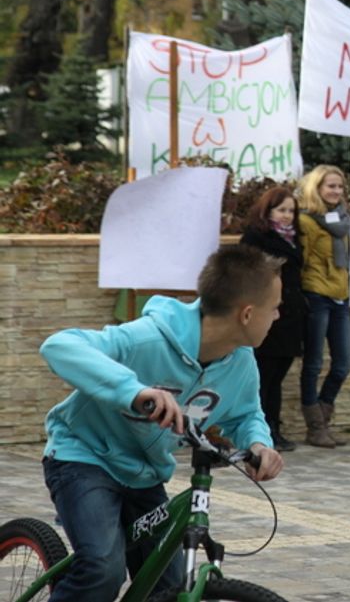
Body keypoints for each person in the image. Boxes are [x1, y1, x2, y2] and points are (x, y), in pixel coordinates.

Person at [40, 245, 286, 602]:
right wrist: (134, 391)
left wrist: (259, 443)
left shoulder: (241, 362)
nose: (278, 316)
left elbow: (245, 413)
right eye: (275, 307)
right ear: (247, 314)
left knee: (165, 587)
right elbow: (58, 346)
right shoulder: (148, 338)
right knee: (102, 568)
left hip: (145, 475)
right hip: (85, 458)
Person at [240, 185, 308, 451]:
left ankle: (273, 428)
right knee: (263, 375)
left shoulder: (293, 239)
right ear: (267, 210)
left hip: (292, 314)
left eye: (291, 210)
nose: (287, 216)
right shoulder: (256, 238)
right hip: (268, 314)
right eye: (281, 210)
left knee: (277, 375)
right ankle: (259, 432)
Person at [296, 164, 350, 448]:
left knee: (343, 364)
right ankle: (315, 426)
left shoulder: (342, 220)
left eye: (340, 186)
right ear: (316, 188)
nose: (336, 191)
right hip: (317, 294)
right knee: (314, 363)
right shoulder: (306, 221)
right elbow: (302, 261)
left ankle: (324, 413)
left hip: (341, 296)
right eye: (330, 186)